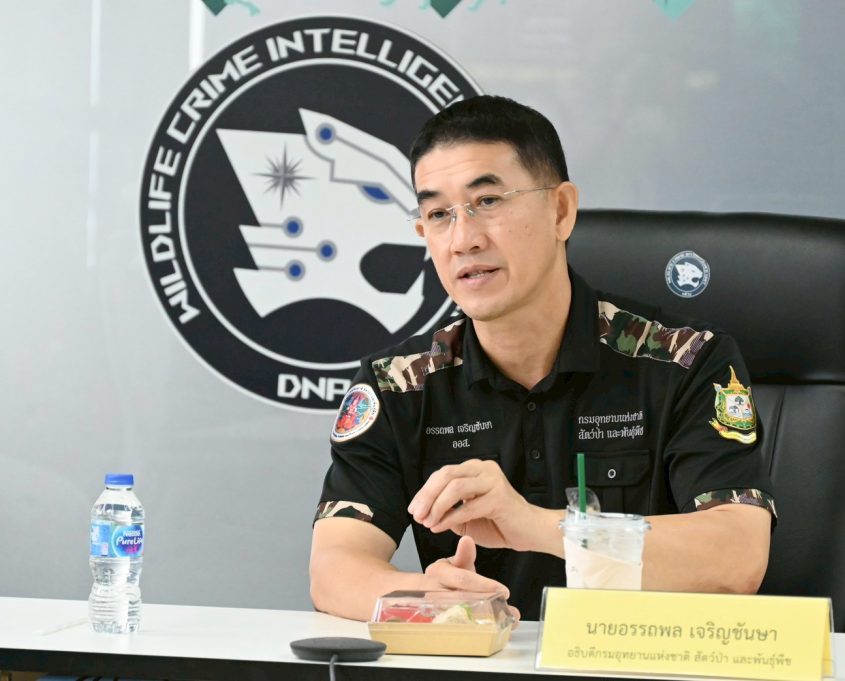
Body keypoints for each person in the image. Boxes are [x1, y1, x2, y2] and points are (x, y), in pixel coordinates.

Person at [310, 95, 776, 622]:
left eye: (488, 201)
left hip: (639, 657)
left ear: (561, 211)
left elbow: (737, 557)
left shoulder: (686, 359)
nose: (463, 240)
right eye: (438, 214)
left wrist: (534, 524)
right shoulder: (400, 383)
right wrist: (430, 601)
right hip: (483, 658)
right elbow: (334, 567)